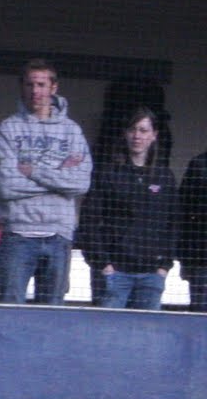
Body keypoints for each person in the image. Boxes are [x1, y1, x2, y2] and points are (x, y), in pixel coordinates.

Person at [0, 59, 92, 306]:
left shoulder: (72, 131)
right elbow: (8, 184)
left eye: (41, 84)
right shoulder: (8, 129)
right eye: (30, 84)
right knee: (8, 310)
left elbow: (80, 183)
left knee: (51, 315)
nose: (35, 91)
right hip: (18, 235)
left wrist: (33, 171)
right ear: (22, 87)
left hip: (59, 236)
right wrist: (59, 175)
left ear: (53, 87)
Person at [81, 108, 177, 310]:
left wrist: (164, 266)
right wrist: (102, 264)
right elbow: (89, 220)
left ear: (154, 135)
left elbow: (173, 224)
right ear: (125, 133)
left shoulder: (164, 177)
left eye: (143, 130)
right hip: (115, 272)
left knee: (147, 336)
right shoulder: (107, 174)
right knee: (108, 334)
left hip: (152, 275)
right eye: (133, 129)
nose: (137, 136)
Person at [179, 148, 207, 311]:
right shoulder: (200, 165)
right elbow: (184, 210)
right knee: (201, 313)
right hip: (201, 258)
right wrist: (185, 260)